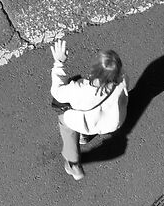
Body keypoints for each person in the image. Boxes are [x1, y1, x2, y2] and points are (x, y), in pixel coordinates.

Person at [50, 37, 128, 181]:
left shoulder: (80, 89)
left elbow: (57, 93)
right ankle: (85, 137)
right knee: (94, 117)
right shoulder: (123, 78)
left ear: (95, 69)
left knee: (64, 120)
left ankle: (73, 164)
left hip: (89, 123)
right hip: (113, 121)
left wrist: (59, 62)